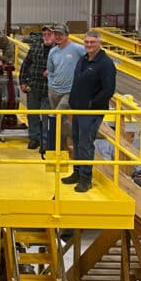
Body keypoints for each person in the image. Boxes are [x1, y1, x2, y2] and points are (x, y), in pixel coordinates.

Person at [64, 31, 117, 193]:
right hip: (78, 109)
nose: (88, 45)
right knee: (77, 141)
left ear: (100, 43)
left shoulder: (105, 64)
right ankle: (77, 172)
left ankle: (86, 179)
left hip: (92, 111)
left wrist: (91, 103)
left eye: (92, 42)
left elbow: (108, 89)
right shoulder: (83, 60)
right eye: (86, 42)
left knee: (86, 144)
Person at [46, 23, 86, 152]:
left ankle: (76, 138)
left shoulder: (77, 49)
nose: (58, 37)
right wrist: (51, 84)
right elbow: (50, 70)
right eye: (55, 34)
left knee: (56, 115)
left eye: (60, 34)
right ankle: (60, 145)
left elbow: (90, 59)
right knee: (60, 119)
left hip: (69, 91)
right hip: (54, 90)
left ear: (67, 36)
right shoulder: (53, 51)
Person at [19, 25, 55, 150]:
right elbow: (25, 64)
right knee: (32, 113)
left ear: (55, 36)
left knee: (46, 116)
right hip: (33, 86)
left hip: (49, 89)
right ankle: (34, 137)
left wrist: (52, 72)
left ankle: (45, 141)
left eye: (49, 34)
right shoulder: (35, 48)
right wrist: (23, 81)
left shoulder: (58, 50)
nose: (46, 37)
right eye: (44, 34)